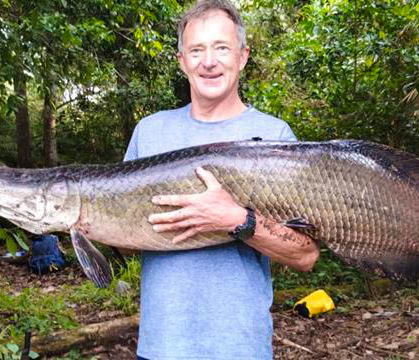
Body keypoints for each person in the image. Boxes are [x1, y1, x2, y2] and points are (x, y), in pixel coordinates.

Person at [123, 1, 320, 358]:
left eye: (221, 48)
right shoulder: (149, 132)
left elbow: (305, 254)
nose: (209, 61)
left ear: (243, 56)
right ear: (182, 61)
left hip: (240, 348)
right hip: (160, 347)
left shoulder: (274, 135)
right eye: (196, 50)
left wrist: (237, 220)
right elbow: (125, 241)